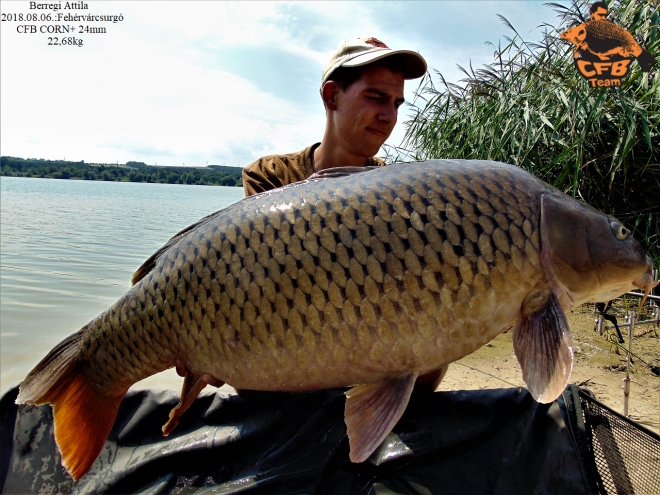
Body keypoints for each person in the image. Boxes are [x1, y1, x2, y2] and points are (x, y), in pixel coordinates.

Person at [242, 37, 427, 197]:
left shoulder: (395, 187)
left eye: (396, 104)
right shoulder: (271, 176)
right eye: (376, 99)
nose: (390, 116)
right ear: (332, 96)